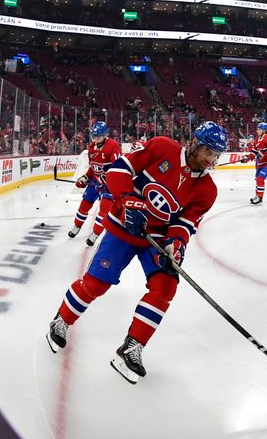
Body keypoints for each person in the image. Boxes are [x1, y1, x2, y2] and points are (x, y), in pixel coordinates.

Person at [46, 121, 228, 383]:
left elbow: (185, 224)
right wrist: (126, 199)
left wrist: (176, 244)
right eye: (207, 152)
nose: (210, 160)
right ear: (193, 143)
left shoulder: (207, 190)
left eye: (215, 155)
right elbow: (120, 169)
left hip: (155, 238)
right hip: (123, 227)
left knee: (166, 286)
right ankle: (61, 320)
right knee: (96, 284)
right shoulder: (163, 147)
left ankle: (132, 347)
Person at [68, 121, 121, 246]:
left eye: (98, 136)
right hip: (96, 182)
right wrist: (85, 177)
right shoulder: (92, 147)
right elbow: (93, 167)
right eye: (94, 136)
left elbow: (119, 168)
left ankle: (96, 233)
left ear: (105, 135)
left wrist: (109, 182)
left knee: (104, 211)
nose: (95, 139)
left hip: (110, 186)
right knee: (84, 204)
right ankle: (77, 226)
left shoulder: (113, 146)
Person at [241, 122, 267, 205]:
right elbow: (254, 152)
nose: (257, 131)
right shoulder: (257, 139)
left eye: (259, 129)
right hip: (261, 164)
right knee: (258, 179)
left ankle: (260, 198)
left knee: (260, 178)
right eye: (257, 129)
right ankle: (257, 195)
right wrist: (247, 158)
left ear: (264, 130)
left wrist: (263, 157)